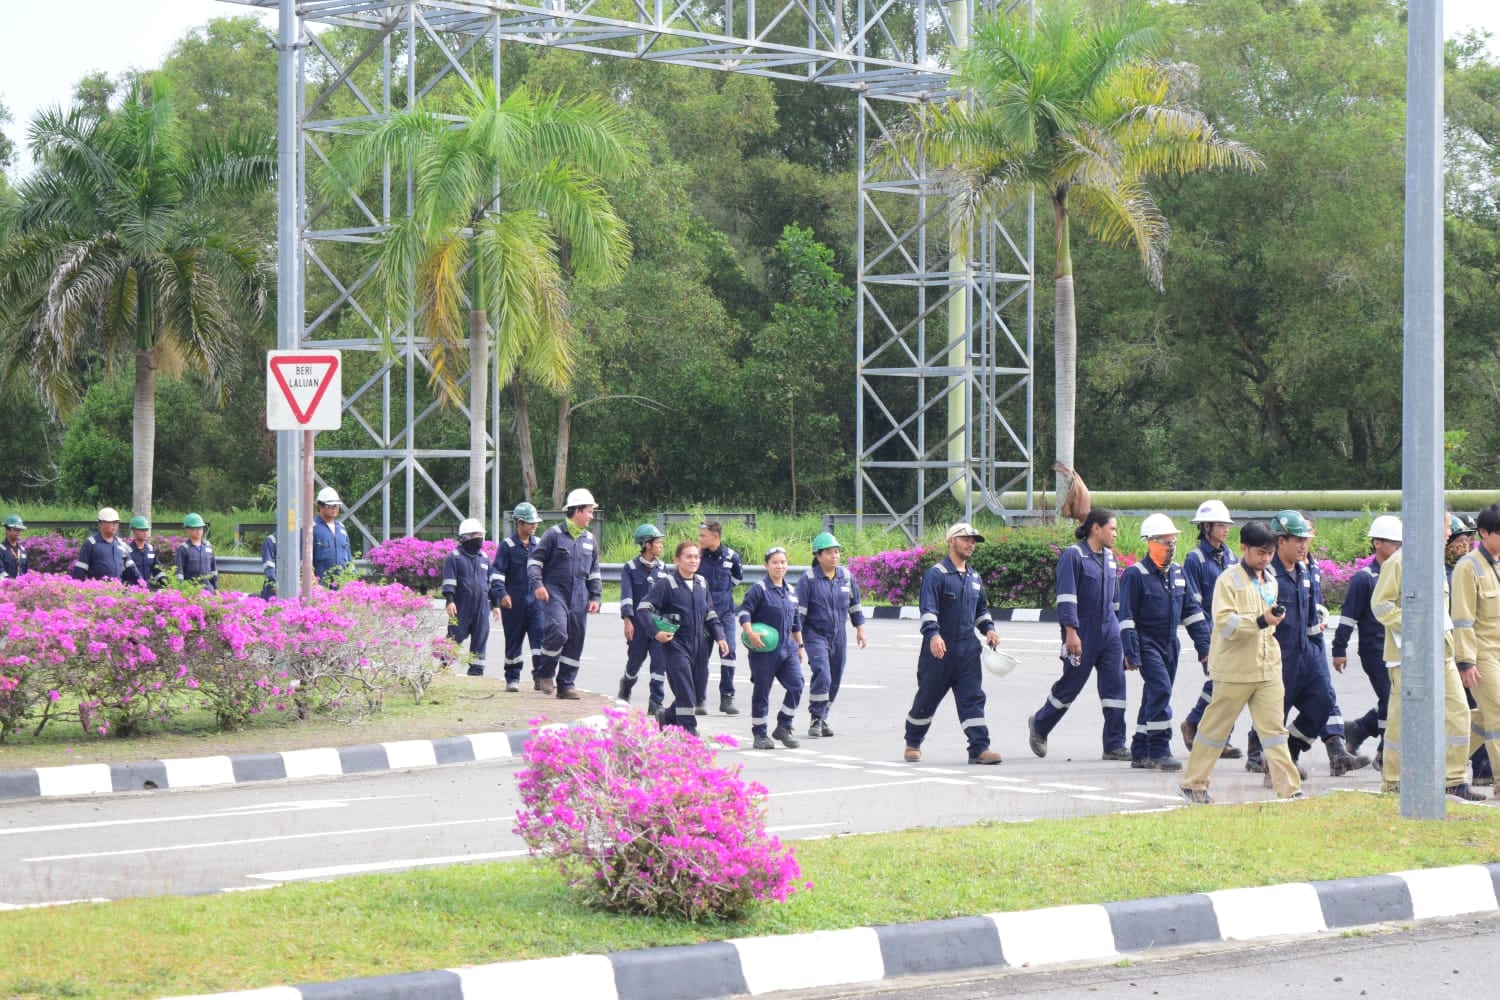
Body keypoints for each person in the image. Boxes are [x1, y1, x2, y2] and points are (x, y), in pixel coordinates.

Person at [1178, 520, 1303, 804]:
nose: (1266, 558)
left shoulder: (1270, 578)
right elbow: (1224, 624)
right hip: (1234, 670)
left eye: (1270, 553)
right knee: (1214, 730)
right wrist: (1260, 620)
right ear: (1243, 548)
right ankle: (1194, 783)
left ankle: (1290, 789)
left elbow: (1267, 620)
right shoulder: (1229, 580)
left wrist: (1270, 620)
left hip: (1267, 668)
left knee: (1274, 732)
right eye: (1260, 552)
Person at [1371, 512, 1485, 800]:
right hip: (1408, 655)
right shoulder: (1400, 562)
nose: (1448, 533)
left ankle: (1453, 779)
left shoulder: (1435, 562)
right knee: (1400, 719)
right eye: (1445, 527)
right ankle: (1394, 782)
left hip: (1441, 652)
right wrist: (1412, 623)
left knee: (1458, 712)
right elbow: (1380, 605)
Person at [1026, 507, 1129, 761]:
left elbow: (1116, 602)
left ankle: (1114, 745)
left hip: (1110, 634)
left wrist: (1123, 641)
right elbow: (1066, 598)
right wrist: (1071, 633)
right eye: (1112, 529)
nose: (1115, 534)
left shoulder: (1110, 558)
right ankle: (1039, 725)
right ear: (1096, 528)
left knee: (1116, 689)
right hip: (1082, 634)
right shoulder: (1074, 556)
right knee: (1070, 686)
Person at [1241, 510, 1336, 779]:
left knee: (1324, 702)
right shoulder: (1266, 576)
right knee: (1274, 719)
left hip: (1307, 655)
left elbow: (1310, 617)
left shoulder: (1305, 570)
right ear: (1279, 541)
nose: (1303, 545)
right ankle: (1276, 767)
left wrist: (1317, 644)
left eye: (1305, 539)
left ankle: (1291, 751)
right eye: (1296, 539)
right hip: (1277, 658)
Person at [902, 523, 1003, 765]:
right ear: (951, 541)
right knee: (926, 700)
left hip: (968, 652)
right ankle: (913, 742)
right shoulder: (936, 575)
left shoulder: (975, 577)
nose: (971, 544)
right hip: (939, 653)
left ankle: (979, 748)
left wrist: (989, 629)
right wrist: (934, 635)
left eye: (973, 540)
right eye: (966, 539)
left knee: (973, 699)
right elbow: (928, 610)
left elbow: (981, 610)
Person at [1118, 513, 1211, 771]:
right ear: (1149, 542)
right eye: (1164, 542)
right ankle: (1159, 749)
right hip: (1146, 643)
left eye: (1172, 542)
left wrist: (1205, 648)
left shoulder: (1178, 573)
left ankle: (1139, 750)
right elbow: (1126, 618)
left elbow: (1192, 613)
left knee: (1153, 696)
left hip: (1170, 644)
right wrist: (1131, 653)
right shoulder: (1135, 575)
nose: (1170, 547)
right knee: (1160, 691)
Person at [1331, 515, 1401, 765]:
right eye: (1393, 543)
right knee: (1391, 699)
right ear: (1377, 544)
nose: (1397, 548)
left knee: (1393, 699)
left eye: (1399, 543)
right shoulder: (1365, 578)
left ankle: (1359, 730)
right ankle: (1385, 753)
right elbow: (1348, 617)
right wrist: (1339, 649)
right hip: (1374, 650)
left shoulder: (1399, 572)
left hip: (1397, 648)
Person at [640, 540, 728, 734]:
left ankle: (667, 716)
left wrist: (720, 636)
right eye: (688, 556)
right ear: (677, 560)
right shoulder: (667, 585)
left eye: (696, 556)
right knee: (686, 693)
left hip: (700, 646)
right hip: (676, 646)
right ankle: (688, 731)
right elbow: (644, 609)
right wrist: (656, 633)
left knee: (695, 694)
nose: (693, 560)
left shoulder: (702, 583)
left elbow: (709, 613)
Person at [1179, 499, 1244, 759]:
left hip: (1234, 631)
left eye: (1227, 525)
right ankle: (1196, 725)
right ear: (1206, 526)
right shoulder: (1194, 559)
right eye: (1220, 525)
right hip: (1212, 633)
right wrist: (1204, 642)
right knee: (1222, 685)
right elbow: (1193, 603)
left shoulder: (1231, 557)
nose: (1226, 529)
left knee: (1232, 687)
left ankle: (1207, 731)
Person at [528, 488, 603, 700]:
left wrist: (595, 597)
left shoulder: (590, 540)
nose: (591, 515)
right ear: (577, 510)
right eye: (589, 511)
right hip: (555, 593)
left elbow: (594, 572)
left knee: (575, 640)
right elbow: (534, 562)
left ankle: (566, 685)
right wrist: (538, 584)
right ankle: (545, 673)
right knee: (558, 632)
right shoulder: (554, 535)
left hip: (580, 595)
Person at [1447, 502, 1500, 793]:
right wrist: (1466, 661)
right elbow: (1463, 618)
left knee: (1483, 718)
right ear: (1483, 533)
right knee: (1498, 715)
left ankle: (1439, 764)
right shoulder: (1468, 567)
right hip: (1483, 652)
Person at [738, 546, 805, 750]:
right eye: (775, 562)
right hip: (764, 651)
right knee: (762, 691)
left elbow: (795, 622)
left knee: (797, 685)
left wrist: (800, 645)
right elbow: (744, 613)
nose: (780, 566)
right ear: (766, 565)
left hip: (788, 649)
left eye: (783, 562)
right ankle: (759, 734)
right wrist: (750, 633)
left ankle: (784, 726)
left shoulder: (790, 591)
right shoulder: (759, 589)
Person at [494, 502, 547, 693]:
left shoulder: (540, 545)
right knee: (513, 642)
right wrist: (502, 594)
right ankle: (512, 678)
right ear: (519, 523)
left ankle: (540, 677)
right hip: (513, 604)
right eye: (530, 523)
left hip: (536, 605)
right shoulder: (507, 546)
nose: (534, 526)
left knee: (539, 641)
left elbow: (546, 572)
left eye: (535, 523)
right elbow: (497, 574)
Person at [443, 518, 501, 677]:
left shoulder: (484, 558)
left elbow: (490, 583)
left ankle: (476, 672)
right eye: (477, 535)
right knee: (455, 635)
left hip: (481, 607)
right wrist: (450, 601)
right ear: (466, 537)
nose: (480, 539)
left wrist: (496, 605)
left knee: (481, 636)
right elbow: (449, 581)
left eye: (481, 535)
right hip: (460, 606)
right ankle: (444, 666)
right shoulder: (454, 557)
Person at [618, 523, 667, 712]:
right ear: (647, 544)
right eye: (658, 542)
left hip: (657, 625)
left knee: (659, 662)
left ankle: (656, 701)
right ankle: (626, 686)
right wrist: (627, 621)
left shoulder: (663, 568)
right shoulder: (630, 568)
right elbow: (626, 595)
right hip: (638, 625)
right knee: (635, 661)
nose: (661, 546)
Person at [697, 520, 744, 715]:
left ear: (715, 536)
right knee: (700, 656)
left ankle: (727, 698)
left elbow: (736, 579)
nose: (699, 539)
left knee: (729, 652)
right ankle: (699, 699)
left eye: (703, 536)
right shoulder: (696, 557)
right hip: (703, 615)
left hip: (725, 614)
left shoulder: (732, 557)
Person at [70, 507, 138, 584]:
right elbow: (80, 570)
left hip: (117, 591)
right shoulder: (91, 543)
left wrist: (142, 585)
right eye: (111, 522)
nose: (114, 525)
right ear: (101, 523)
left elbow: (131, 569)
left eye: (116, 522)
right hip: (98, 591)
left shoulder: (121, 544)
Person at [312, 486, 353, 586]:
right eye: (331, 505)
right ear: (320, 506)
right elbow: (305, 561)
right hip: (321, 585)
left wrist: (351, 579)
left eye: (337, 505)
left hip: (342, 583)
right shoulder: (312, 528)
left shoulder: (341, 528)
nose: (335, 508)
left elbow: (348, 557)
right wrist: (313, 583)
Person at [123, 515, 169, 590]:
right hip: (131, 590)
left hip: (147, 589)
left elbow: (156, 569)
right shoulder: (127, 550)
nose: (145, 533)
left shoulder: (150, 550)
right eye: (142, 530)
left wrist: (164, 580)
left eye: (146, 530)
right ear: (134, 531)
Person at [175, 513, 218, 591]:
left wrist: (215, 588)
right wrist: (182, 590)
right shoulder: (183, 549)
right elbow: (179, 572)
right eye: (195, 528)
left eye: (200, 528)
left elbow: (213, 569)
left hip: (208, 590)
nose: (198, 531)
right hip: (191, 591)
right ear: (187, 530)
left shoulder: (208, 546)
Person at [2, 514, 29, 578]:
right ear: (7, 530)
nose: (19, 532)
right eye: (16, 529)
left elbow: (25, 571)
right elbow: (1, 572)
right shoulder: (1, 550)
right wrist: (12, 584)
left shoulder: (22, 550)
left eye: (20, 529)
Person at [260, 533, 278, 599]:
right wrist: (277, 587)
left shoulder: (301, 538)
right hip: (272, 594)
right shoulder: (271, 540)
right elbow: (269, 570)